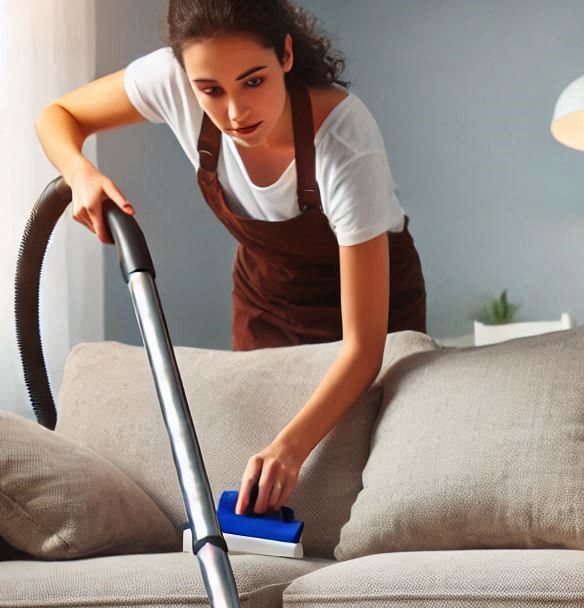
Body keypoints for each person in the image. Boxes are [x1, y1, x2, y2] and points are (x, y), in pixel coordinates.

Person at [35, 0, 426, 517]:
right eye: (211, 91)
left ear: (285, 54)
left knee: (356, 476)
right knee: (262, 474)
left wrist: (291, 447)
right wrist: (80, 173)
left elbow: (363, 348)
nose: (236, 113)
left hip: (371, 316)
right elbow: (58, 116)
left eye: (254, 81)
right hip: (266, 301)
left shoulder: (344, 141)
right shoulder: (173, 80)